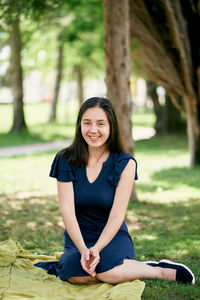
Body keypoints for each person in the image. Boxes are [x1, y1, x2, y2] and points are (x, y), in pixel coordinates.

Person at [35, 97, 195, 285]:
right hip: (79, 236)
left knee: (107, 272)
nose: (93, 130)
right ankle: (124, 267)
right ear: (79, 126)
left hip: (112, 236)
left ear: (111, 127)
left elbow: (117, 216)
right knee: (73, 274)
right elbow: (67, 211)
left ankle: (159, 270)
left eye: (100, 124)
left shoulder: (125, 164)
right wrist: (84, 250)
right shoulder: (65, 160)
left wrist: (97, 248)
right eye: (87, 123)